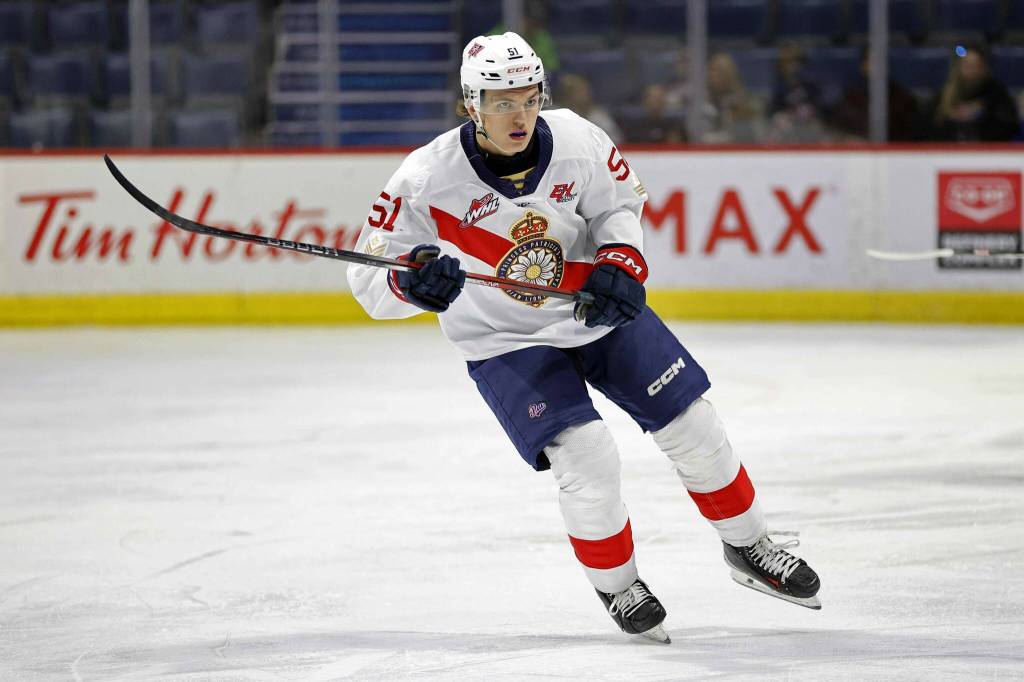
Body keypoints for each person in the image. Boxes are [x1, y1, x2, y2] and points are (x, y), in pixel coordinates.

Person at [347, 32, 821, 644]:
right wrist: (413, 284)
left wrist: (621, 260)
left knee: (694, 425)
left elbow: (618, 208)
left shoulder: (578, 139)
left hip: (589, 311)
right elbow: (370, 278)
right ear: (470, 104)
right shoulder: (424, 177)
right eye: (501, 103)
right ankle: (619, 585)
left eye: (528, 99)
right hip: (503, 338)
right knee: (587, 455)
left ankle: (749, 546)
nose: (519, 117)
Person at [930, 45, 1019, 142]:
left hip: (987, 148)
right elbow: (931, 127)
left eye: (977, 65)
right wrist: (951, 116)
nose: (972, 70)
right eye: (967, 65)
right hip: (949, 148)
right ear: (958, 67)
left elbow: (1009, 126)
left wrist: (982, 112)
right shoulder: (945, 94)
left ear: (984, 68)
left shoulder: (997, 94)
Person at [829, 47, 919, 142]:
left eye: (880, 61)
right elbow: (837, 132)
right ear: (863, 66)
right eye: (871, 61)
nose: (876, 65)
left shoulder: (902, 99)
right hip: (858, 149)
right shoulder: (850, 99)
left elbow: (911, 135)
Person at [704, 52, 764, 143]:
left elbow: (756, 134)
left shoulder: (743, 101)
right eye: (711, 70)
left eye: (719, 72)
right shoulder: (704, 99)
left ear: (729, 74)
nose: (713, 75)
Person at [555, 73, 624, 144]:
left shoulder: (597, 116)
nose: (585, 94)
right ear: (567, 94)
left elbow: (615, 139)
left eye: (585, 90)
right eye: (579, 91)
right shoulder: (554, 115)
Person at [620, 84, 687, 144]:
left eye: (658, 99)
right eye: (652, 99)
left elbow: (686, 148)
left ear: (664, 102)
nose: (655, 103)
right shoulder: (635, 129)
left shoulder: (675, 127)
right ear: (645, 101)